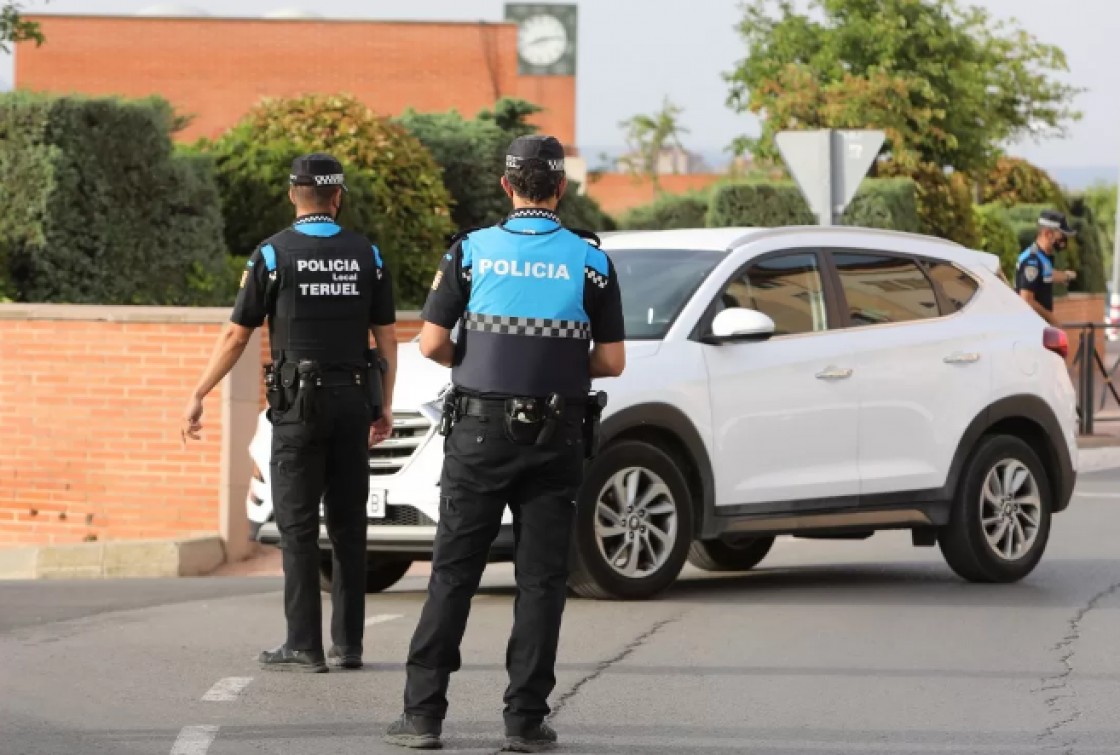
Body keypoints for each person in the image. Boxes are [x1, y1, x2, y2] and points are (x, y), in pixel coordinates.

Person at [383, 135, 626, 752]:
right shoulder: (591, 260)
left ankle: (422, 717)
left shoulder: (471, 251)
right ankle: (524, 722)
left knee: (454, 573)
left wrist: (484, 363)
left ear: (507, 185)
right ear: (562, 187)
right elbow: (613, 361)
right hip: (557, 433)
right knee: (541, 580)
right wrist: (557, 365)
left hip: (479, 431)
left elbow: (432, 344)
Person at [180, 153, 398, 674]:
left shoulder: (272, 255)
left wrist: (199, 392)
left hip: (298, 406)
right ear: (337, 196)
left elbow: (237, 334)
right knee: (349, 526)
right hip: (351, 402)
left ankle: (304, 644)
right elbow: (386, 337)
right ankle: (349, 645)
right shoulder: (368, 255)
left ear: (292, 195)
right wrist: (383, 404)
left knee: (298, 527)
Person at [1015, 209, 1078, 326]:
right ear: (1048, 234)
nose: (1064, 240)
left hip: (1038, 326)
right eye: (1061, 235)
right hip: (1030, 327)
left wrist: (1066, 276)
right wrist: (1052, 319)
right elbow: (1027, 299)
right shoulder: (1032, 261)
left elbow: (1046, 273)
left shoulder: (1042, 257)